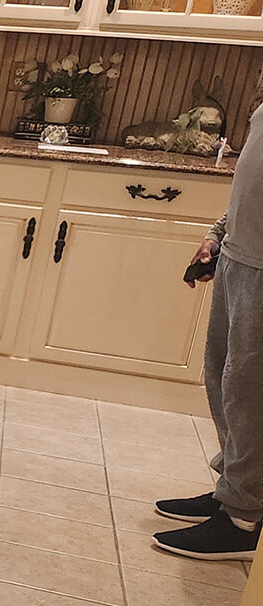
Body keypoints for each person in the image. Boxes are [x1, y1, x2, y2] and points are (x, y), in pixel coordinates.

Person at [152, 103, 263, 561]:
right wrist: (219, 233)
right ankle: (234, 491)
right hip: (240, 255)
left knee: (249, 392)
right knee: (223, 381)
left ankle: (242, 519)